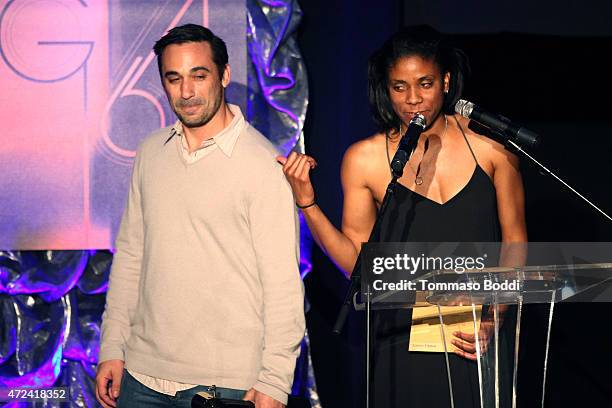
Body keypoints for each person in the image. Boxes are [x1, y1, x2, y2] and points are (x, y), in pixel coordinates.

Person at [278, 26, 527, 407]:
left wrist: (497, 314)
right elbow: (357, 264)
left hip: (476, 339)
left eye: (425, 84)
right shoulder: (365, 159)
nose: (413, 99)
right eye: (399, 87)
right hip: (402, 343)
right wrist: (307, 205)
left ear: (445, 81)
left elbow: (514, 241)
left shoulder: (492, 149)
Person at [95, 24, 305, 408]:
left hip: (224, 385)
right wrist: (112, 345)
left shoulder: (263, 164)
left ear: (224, 75)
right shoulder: (151, 152)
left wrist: (274, 382)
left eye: (199, 75)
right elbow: (131, 257)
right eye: (173, 78)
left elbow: (283, 287)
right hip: (141, 379)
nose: (186, 92)